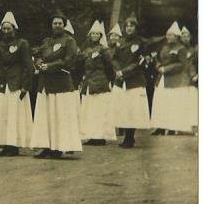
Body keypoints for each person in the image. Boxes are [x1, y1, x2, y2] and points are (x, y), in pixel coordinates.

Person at [30, 10, 82, 158]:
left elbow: (70, 60)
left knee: (59, 116)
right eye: (55, 23)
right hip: (46, 83)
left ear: (64, 25)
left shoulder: (69, 40)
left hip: (61, 84)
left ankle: (58, 147)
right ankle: (46, 146)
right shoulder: (46, 41)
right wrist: (39, 63)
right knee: (45, 116)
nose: (57, 26)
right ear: (51, 25)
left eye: (60, 23)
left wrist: (51, 66)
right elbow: (39, 55)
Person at [0, 11, 34, 156]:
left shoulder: (22, 44)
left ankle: (14, 145)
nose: (6, 31)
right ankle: (5, 144)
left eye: (9, 28)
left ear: (14, 29)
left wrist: (25, 86)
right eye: (4, 28)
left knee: (15, 115)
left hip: (16, 84)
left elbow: (29, 67)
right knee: (3, 114)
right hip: (2, 83)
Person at [110, 13, 151, 148]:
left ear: (136, 28)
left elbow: (139, 62)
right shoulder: (120, 42)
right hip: (121, 80)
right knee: (124, 108)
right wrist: (117, 71)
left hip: (134, 80)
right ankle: (127, 137)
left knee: (133, 109)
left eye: (132, 26)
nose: (129, 28)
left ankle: (130, 137)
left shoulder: (141, 43)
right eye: (127, 26)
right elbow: (114, 58)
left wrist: (124, 72)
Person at [150, 22, 194, 133]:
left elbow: (182, 64)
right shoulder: (164, 48)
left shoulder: (181, 48)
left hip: (174, 79)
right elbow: (159, 60)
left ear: (176, 37)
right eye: (167, 35)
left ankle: (172, 127)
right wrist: (158, 66)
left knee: (171, 103)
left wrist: (167, 69)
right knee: (160, 102)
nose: (168, 37)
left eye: (171, 35)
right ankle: (160, 126)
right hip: (162, 78)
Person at [78, 21, 116, 146]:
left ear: (100, 36)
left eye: (97, 34)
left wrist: (108, 80)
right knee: (89, 110)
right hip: (88, 82)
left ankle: (100, 136)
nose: (94, 35)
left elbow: (109, 66)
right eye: (92, 33)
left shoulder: (103, 50)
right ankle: (91, 135)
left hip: (100, 82)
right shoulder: (87, 50)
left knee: (99, 110)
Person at [181, 26, 198, 130]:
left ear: (190, 38)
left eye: (187, 36)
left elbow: (194, 64)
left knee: (191, 102)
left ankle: (192, 126)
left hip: (190, 79)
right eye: (183, 36)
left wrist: (195, 75)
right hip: (179, 80)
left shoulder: (194, 50)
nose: (185, 38)